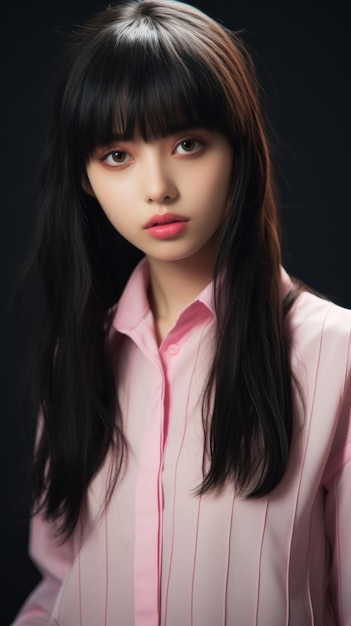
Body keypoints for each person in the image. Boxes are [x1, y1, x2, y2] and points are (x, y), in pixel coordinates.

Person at [11, 0, 351, 624]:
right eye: (118, 155)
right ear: (85, 177)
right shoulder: (78, 355)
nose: (157, 186)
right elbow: (59, 585)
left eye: (188, 143)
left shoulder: (336, 353)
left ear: (238, 149)